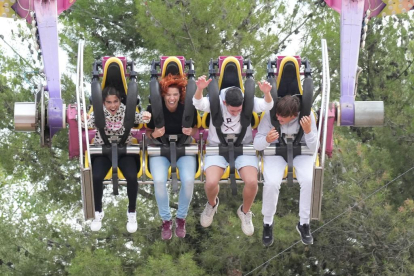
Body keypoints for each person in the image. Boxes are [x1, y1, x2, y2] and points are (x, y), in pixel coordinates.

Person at [193, 75, 273, 236]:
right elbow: (199, 103)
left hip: (243, 146)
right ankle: (211, 204)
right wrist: (200, 89)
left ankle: (245, 211)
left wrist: (266, 93)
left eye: (239, 110)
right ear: (224, 103)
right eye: (232, 110)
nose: (236, 113)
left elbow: (267, 104)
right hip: (218, 147)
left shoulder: (247, 100)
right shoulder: (217, 100)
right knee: (210, 183)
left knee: (252, 181)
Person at [82, 86, 151, 233]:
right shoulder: (98, 113)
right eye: (109, 102)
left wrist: (146, 116)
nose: (112, 105)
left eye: (115, 101)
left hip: (124, 148)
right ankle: (98, 211)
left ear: (120, 101)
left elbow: (140, 119)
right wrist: (83, 119)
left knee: (132, 176)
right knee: (96, 177)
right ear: (103, 103)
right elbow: (87, 123)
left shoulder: (126, 111)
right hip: (103, 149)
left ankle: (132, 212)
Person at [253, 95, 317, 246]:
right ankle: (267, 223)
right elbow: (257, 144)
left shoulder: (307, 117)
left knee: (308, 180)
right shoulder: (271, 115)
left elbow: (315, 147)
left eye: (282, 117)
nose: (278, 118)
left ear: (294, 116)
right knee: (272, 183)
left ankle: (304, 223)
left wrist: (308, 132)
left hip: (302, 151)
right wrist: (267, 139)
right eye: (278, 115)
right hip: (275, 151)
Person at [146, 74, 198, 240]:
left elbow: (197, 128)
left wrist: (192, 132)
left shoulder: (188, 107)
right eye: (168, 94)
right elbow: (147, 133)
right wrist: (155, 133)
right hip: (160, 149)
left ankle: (181, 218)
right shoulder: (154, 108)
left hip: (184, 148)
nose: (172, 98)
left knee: (189, 180)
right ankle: (166, 220)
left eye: (175, 94)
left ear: (180, 95)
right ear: (163, 95)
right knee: (159, 181)